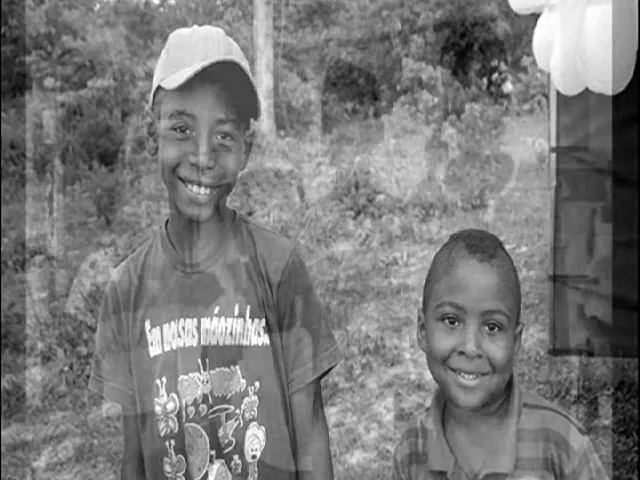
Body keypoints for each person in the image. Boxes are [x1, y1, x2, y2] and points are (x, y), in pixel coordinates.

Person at [89, 25, 342, 480]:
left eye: (224, 136)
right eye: (182, 129)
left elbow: (310, 435)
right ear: (151, 136)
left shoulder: (278, 268)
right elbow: (135, 456)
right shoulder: (126, 290)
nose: (203, 156)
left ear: (246, 150)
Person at [393, 229, 610, 480]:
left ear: (515, 342)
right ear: (422, 330)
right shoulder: (412, 450)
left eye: (492, 327)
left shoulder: (560, 442)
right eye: (451, 321)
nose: (471, 347)